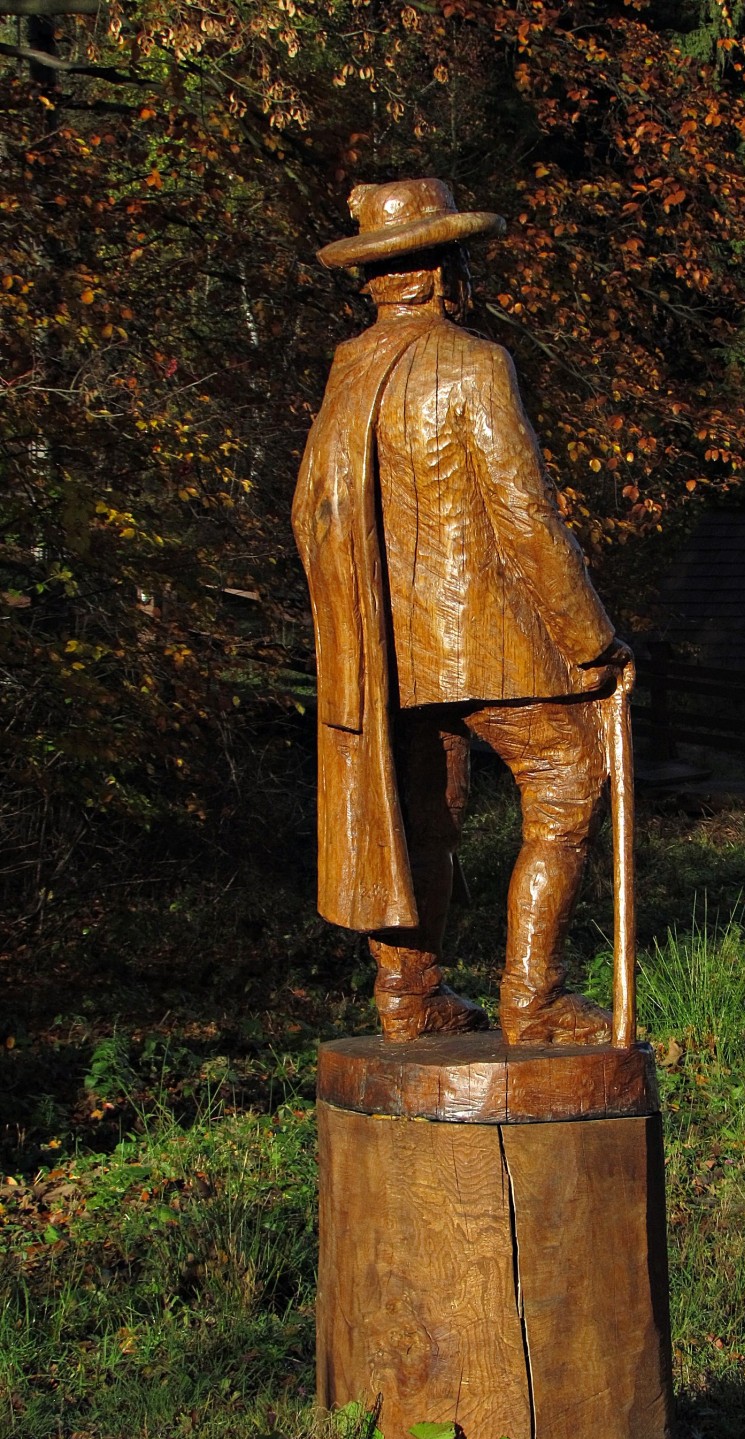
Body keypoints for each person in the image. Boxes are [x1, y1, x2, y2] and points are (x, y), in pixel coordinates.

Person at [292, 178, 631, 1046]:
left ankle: (408, 996)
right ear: (445, 272)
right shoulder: (474, 364)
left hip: (383, 650)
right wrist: (592, 640)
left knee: (421, 811)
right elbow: (525, 515)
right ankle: (535, 997)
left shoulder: (345, 372)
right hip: (486, 639)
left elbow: (311, 513)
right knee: (568, 780)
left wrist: (350, 639)